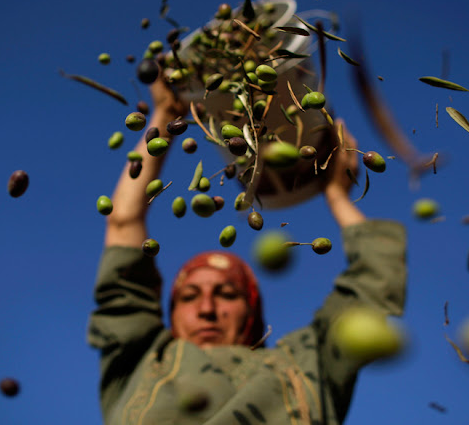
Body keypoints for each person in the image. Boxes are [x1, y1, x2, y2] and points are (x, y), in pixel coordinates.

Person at [87, 78, 407, 424]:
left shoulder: (304, 363)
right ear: (172, 311)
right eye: (191, 296)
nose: (208, 309)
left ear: (252, 308)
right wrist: (167, 112)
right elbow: (122, 222)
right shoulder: (142, 359)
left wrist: (337, 196)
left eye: (226, 294)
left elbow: (372, 289)